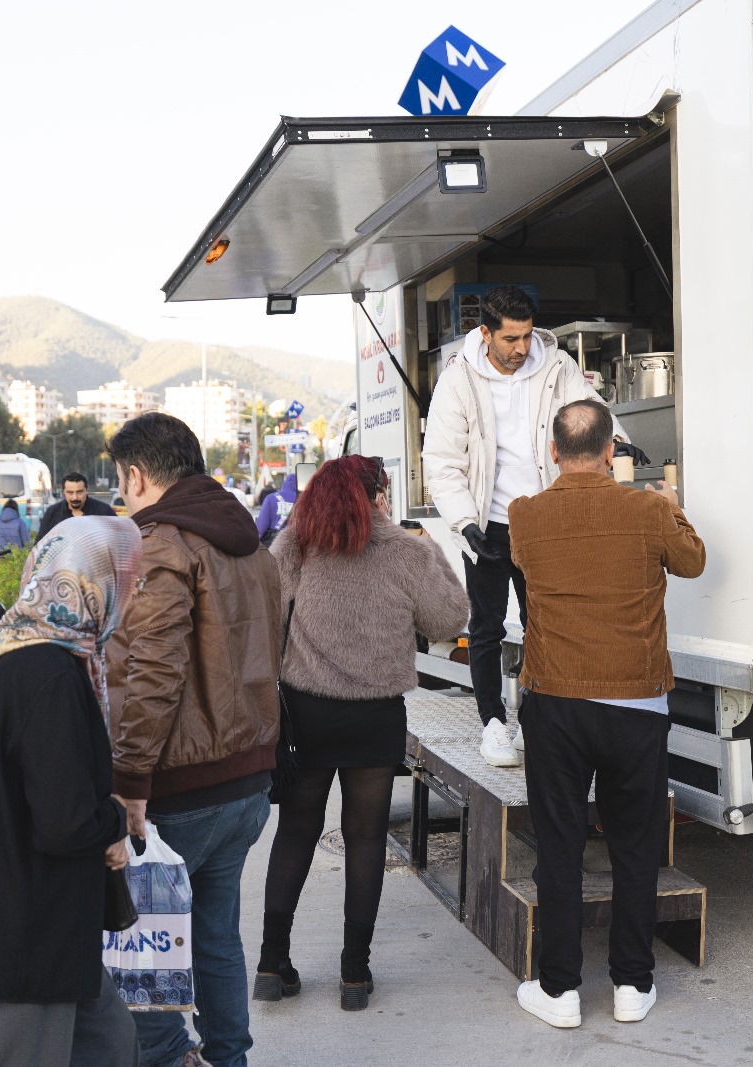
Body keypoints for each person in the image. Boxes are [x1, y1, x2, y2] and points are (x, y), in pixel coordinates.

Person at [507, 399, 704, 1029]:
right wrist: (669, 498)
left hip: (555, 703)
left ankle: (560, 990)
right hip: (635, 704)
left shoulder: (526, 516)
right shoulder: (648, 511)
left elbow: (523, 563)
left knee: (560, 846)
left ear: (553, 453)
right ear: (613, 449)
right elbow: (694, 561)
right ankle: (631, 985)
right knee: (635, 845)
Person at [254, 456, 468, 1011]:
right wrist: (431, 548)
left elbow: (268, 615)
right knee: (367, 837)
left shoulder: (298, 543)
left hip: (306, 712)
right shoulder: (407, 551)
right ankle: (354, 973)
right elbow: (449, 622)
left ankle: (271, 964)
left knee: (296, 832)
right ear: (376, 495)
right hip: (375, 714)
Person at [0, 516, 143, 1067]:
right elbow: (65, 820)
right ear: (91, 584)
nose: (134, 589)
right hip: (23, 930)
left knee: (111, 1046)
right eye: (129, 575)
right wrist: (113, 822)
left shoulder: (40, 652)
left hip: (45, 917)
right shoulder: (43, 671)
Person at [104, 412, 281, 1067]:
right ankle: (228, 1056)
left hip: (178, 785)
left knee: (144, 938)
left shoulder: (159, 545)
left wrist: (130, 781)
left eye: (121, 482)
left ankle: (170, 1057)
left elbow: (153, 669)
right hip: (246, 780)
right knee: (215, 933)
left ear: (137, 474)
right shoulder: (251, 544)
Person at [422, 284, 640, 768]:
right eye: (510, 340)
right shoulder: (459, 378)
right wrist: (464, 521)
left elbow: (591, 412)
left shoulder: (554, 365)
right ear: (486, 333)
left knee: (547, 626)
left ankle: (534, 720)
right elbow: (441, 460)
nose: (521, 349)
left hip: (544, 521)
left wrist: (619, 443)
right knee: (486, 628)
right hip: (488, 522)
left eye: (525, 337)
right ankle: (493, 725)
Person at [38, 470, 117, 543]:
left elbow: (118, 540)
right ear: (63, 492)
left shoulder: (104, 511)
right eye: (70, 493)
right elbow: (40, 545)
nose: (75, 497)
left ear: (86, 490)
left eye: (79, 492)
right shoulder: (52, 513)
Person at [254, 471, 298, 546]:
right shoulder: (302, 499)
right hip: (295, 544)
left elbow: (262, 525)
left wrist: (256, 541)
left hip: (274, 544)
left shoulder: (271, 498)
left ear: (285, 483)